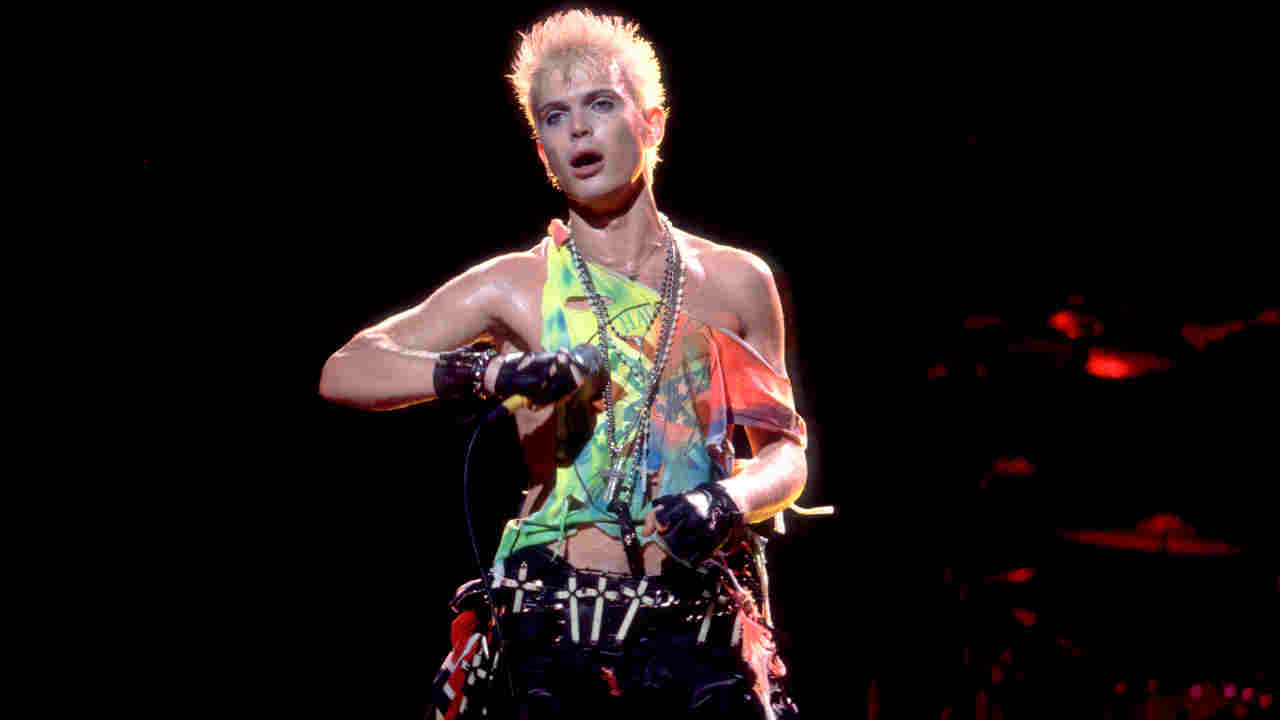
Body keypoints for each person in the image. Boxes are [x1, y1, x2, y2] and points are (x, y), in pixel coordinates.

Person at [319, 9, 812, 718]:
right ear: (542, 150)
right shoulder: (516, 284)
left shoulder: (737, 284)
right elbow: (347, 367)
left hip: (697, 631)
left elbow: (786, 455)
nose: (577, 129)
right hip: (555, 629)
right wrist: (489, 375)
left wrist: (726, 499)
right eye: (554, 117)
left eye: (600, 105)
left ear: (653, 124)